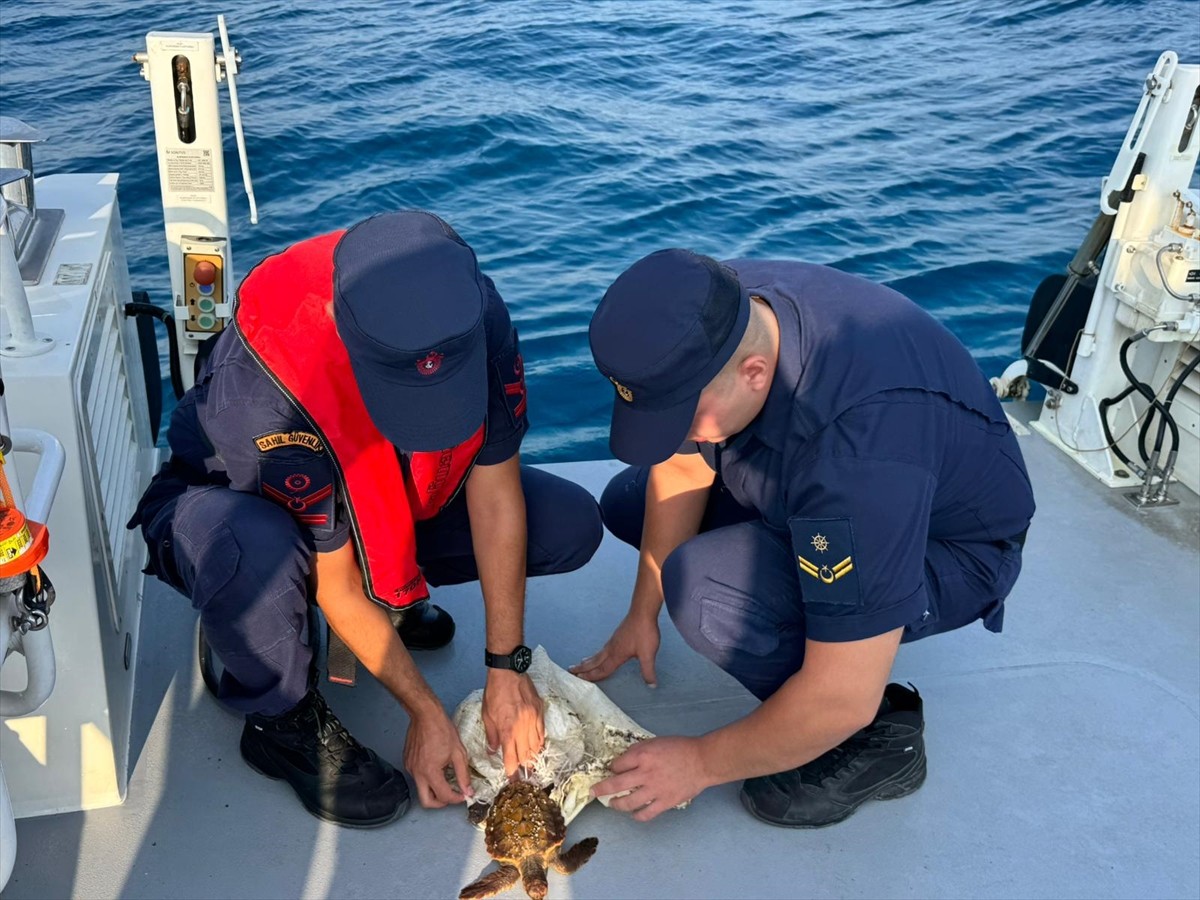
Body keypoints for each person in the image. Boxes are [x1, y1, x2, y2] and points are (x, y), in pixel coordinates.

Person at [129, 210, 603, 827]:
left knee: (566, 524)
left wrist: (506, 666)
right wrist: (426, 713)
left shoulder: (469, 313)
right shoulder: (266, 391)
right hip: (235, 511)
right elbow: (336, 581)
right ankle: (280, 723)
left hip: (367, 493)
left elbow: (495, 492)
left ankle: (394, 600)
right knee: (253, 546)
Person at [575, 249, 1034, 827]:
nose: (675, 433)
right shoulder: (719, 309)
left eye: (683, 416)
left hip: (948, 547)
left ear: (754, 373)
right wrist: (641, 614)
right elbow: (683, 463)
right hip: (834, 479)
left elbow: (842, 694)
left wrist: (699, 762)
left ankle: (879, 741)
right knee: (630, 502)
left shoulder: (860, 460)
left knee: (703, 590)